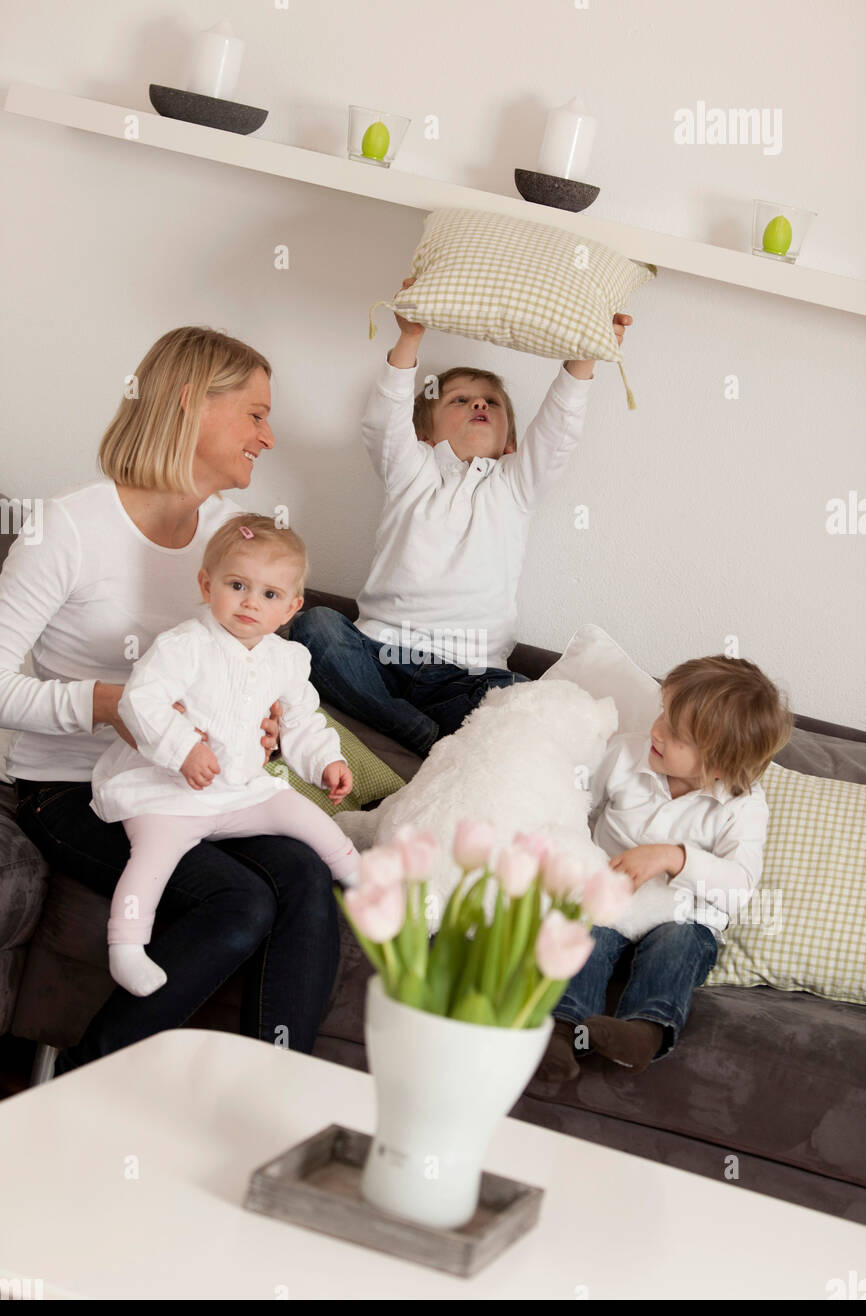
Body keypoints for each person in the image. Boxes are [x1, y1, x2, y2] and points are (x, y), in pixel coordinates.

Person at [1, 326, 343, 1074]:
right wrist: (114, 704)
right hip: (74, 788)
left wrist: (264, 722)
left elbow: (251, 669)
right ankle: (84, 1084)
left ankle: (276, 1096)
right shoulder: (68, 528)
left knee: (308, 874)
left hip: (205, 783)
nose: (268, 435)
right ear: (192, 403)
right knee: (239, 901)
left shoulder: (234, 543)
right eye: (254, 413)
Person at [291, 277, 632, 757]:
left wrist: (585, 356)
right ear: (425, 435)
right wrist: (409, 337)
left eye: (491, 404)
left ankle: (427, 726)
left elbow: (559, 428)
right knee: (315, 626)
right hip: (379, 654)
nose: (479, 404)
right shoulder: (411, 469)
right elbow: (383, 422)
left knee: (530, 699)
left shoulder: (515, 484)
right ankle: (412, 729)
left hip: (468, 673)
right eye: (460, 400)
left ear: (511, 443)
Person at [90, 512, 361, 999]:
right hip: (168, 793)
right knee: (152, 859)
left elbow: (300, 719)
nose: (250, 603)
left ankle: (361, 882)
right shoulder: (184, 646)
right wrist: (183, 749)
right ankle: (127, 946)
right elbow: (140, 701)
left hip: (238, 790)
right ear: (206, 583)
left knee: (308, 818)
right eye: (237, 585)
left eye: (270, 595)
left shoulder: (286, 659)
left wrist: (326, 762)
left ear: (291, 607)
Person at [537, 655, 794, 1083]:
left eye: (677, 734)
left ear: (719, 766)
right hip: (610, 903)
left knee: (678, 945)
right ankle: (560, 1033)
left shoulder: (743, 808)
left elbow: (739, 888)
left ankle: (643, 1031)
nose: (657, 730)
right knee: (588, 938)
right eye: (664, 713)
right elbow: (572, 806)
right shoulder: (624, 755)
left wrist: (675, 857)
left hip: (680, 917)